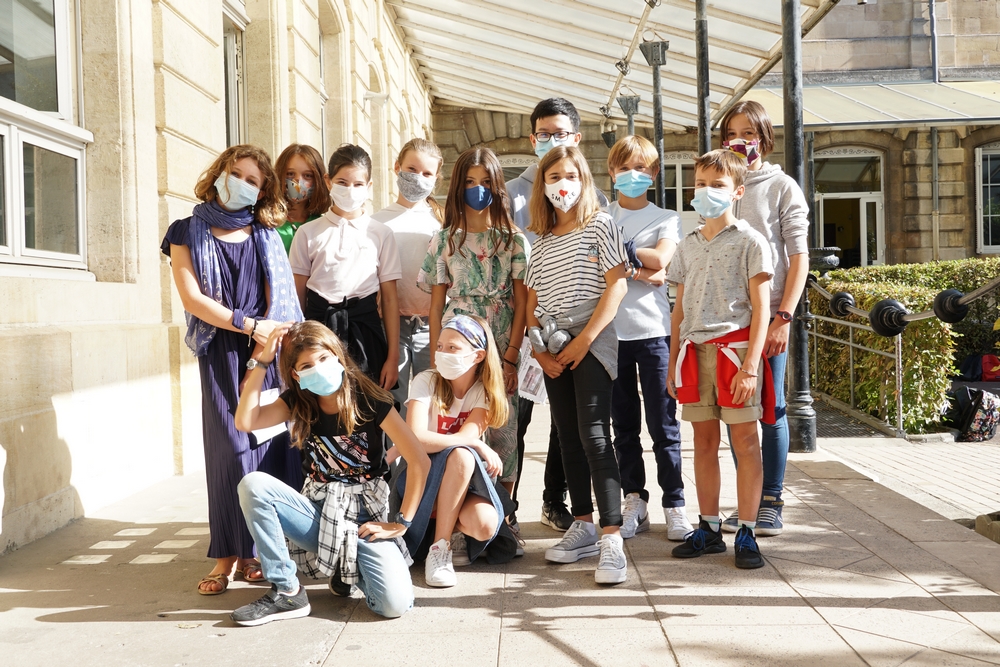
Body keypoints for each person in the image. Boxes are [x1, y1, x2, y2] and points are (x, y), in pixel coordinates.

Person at [160, 144, 303, 595]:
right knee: (229, 452)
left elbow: (279, 301)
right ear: (220, 173)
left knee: (267, 448)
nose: (242, 183)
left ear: (263, 192)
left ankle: (258, 551)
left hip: (267, 348)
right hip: (221, 350)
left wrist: (266, 341)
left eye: (253, 180)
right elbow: (192, 300)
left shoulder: (264, 233)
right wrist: (246, 323)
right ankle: (225, 556)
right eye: (235, 173)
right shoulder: (185, 231)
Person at [231, 321, 431, 625]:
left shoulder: (368, 399)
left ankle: (348, 568)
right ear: (296, 375)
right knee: (253, 485)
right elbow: (246, 421)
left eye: (324, 358)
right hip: (318, 514)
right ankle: (287, 591)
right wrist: (262, 360)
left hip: (365, 521)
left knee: (394, 604)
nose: (319, 367)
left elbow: (419, 460)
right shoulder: (298, 402)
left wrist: (401, 523)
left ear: (337, 355)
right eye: (307, 365)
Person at [665, 149, 774, 570]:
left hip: (736, 351)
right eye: (701, 184)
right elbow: (678, 309)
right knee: (704, 443)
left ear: (737, 192)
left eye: (718, 185)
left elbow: (761, 307)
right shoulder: (687, 245)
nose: (707, 192)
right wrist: (674, 359)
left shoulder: (751, 241)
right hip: (695, 352)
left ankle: (746, 530)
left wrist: (751, 366)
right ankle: (708, 528)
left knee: (745, 442)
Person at [525, 145, 629, 585]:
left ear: (583, 179)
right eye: (553, 177)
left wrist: (585, 341)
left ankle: (611, 536)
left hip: (592, 339)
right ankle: (582, 523)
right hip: (552, 345)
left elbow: (617, 287)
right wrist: (539, 351)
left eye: (570, 175)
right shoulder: (541, 242)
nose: (562, 185)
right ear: (542, 186)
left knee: (594, 434)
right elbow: (530, 303)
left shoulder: (600, 225)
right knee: (567, 437)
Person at [507, 97, 609, 533]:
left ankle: (557, 501)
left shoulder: (594, 197)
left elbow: (609, 271)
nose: (552, 140)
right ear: (532, 138)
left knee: (570, 425)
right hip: (522, 322)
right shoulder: (510, 193)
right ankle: (504, 507)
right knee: (516, 418)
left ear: (576, 138)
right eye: (544, 133)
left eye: (561, 132)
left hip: (576, 330)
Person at [717, 100, 810, 537]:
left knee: (770, 409)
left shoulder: (782, 186)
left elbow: (799, 255)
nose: (741, 141)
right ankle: (749, 500)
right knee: (738, 410)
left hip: (770, 314)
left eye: (749, 134)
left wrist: (784, 316)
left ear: (764, 138)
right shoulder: (721, 185)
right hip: (728, 318)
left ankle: (771, 497)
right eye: (733, 133)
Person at [418, 146, 528, 503]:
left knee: (504, 426)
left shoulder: (513, 240)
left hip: (501, 336)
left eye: (484, 181)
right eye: (469, 181)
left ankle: (504, 510)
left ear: (497, 187)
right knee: (458, 416)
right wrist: (438, 355)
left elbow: (522, 301)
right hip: (458, 336)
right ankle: (459, 504)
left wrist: (511, 356)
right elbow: (435, 306)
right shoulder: (443, 239)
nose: (477, 188)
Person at [605, 135, 693, 542]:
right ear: (611, 173)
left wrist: (621, 262)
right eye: (625, 168)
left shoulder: (666, 217)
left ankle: (674, 502)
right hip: (610, 335)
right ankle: (634, 500)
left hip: (654, 334)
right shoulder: (600, 217)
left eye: (641, 168)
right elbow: (650, 266)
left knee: (664, 425)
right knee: (622, 427)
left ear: (654, 173)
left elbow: (663, 262)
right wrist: (643, 265)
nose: (633, 176)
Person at [391, 315, 513, 588]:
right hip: (420, 475)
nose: (442, 354)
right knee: (463, 452)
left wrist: (470, 441)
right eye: (440, 346)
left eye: (453, 348)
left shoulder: (484, 392)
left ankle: (448, 531)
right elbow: (417, 440)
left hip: (463, 480)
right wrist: (477, 444)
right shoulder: (425, 380)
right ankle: (440, 549)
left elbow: (459, 438)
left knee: (484, 525)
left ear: (478, 355)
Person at [289, 144, 401, 391]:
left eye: (358, 184)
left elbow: (391, 299)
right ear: (328, 181)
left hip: (366, 331)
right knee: (322, 408)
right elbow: (297, 296)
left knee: (369, 409)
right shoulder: (308, 233)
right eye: (342, 182)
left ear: (369, 187)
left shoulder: (381, 234)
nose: (350, 190)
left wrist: (392, 358)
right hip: (318, 333)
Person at [372, 138, 444, 418]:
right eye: (411, 169)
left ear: (436, 178)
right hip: (391, 326)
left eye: (427, 173)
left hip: (435, 324)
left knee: (433, 403)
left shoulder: (442, 221)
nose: (418, 178)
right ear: (397, 168)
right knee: (394, 400)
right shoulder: (377, 221)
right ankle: (396, 463)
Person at [273, 144, 330, 254]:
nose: (297, 181)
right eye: (290, 174)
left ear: (318, 180)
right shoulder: (267, 221)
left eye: (307, 175)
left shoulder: (322, 224)